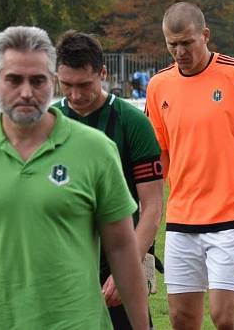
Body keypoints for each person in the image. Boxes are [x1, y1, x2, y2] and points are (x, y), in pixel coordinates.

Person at [0, 26, 149, 330]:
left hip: (77, 322)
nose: (26, 92)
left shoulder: (97, 150)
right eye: (14, 80)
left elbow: (121, 248)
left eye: (37, 81)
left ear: (52, 82)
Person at [145, 2, 234, 330]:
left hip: (233, 220)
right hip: (181, 220)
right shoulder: (158, 85)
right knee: (182, 319)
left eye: (187, 42)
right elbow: (157, 156)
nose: (179, 51)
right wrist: (148, 214)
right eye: (172, 44)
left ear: (205, 35)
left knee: (225, 318)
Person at [53, 30, 163, 329]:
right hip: (59, 267)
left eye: (84, 85)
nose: (75, 95)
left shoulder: (133, 123)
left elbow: (152, 207)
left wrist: (127, 267)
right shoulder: (46, 123)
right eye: (66, 85)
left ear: (103, 72)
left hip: (117, 261)